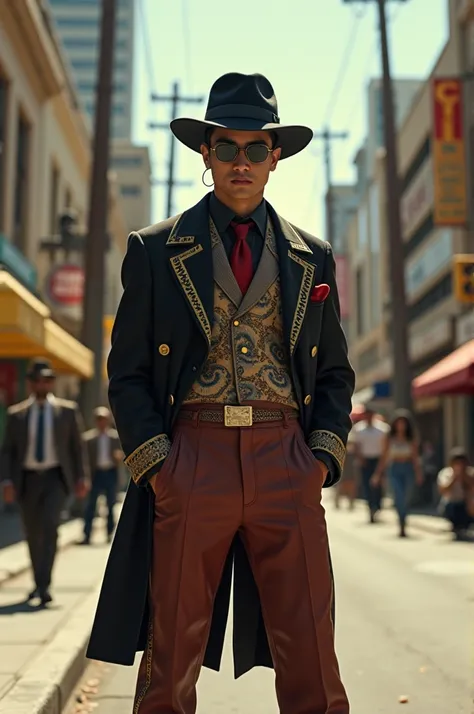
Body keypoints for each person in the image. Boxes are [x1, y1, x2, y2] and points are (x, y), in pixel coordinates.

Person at [87, 72, 355, 714]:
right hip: (192, 457)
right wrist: (158, 462)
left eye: (255, 148)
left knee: (312, 647)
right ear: (205, 153)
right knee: (171, 648)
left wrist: (319, 457)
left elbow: (336, 372)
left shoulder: (311, 257)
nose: (241, 162)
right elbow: (124, 371)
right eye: (227, 147)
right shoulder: (154, 251)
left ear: (275, 156)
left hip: (285, 458)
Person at [0, 358, 89, 604]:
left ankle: (44, 585)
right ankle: (37, 582)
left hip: (54, 478)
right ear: (30, 384)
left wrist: (82, 477)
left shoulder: (67, 412)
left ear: (51, 383)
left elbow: (77, 448)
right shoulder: (16, 415)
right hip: (27, 479)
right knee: (32, 531)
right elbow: (7, 451)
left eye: (47, 380)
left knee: (50, 528)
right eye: (38, 380)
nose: (42, 384)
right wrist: (6, 482)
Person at [373, 409, 423, 538]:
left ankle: (404, 518)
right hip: (394, 468)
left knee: (407, 497)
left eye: (403, 423)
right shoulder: (389, 438)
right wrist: (378, 474)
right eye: (399, 423)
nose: (401, 426)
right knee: (399, 496)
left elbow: (415, 457)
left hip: (408, 468)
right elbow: (384, 457)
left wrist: (418, 473)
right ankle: (401, 523)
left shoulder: (411, 439)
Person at [81, 407, 123, 545]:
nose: (101, 422)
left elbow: (123, 455)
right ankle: (87, 534)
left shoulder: (115, 437)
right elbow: (84, 459)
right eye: (99, 419)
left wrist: (118, 457)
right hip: (95, 474)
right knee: (91, 505)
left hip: (110, 473)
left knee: (110, 505)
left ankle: (110, 533)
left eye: (104, 419)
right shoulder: (88, 439)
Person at [353, 406, 389, 523]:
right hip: (365, 460)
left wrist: (383, 462)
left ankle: (377, 505)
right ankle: (370, 508)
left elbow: (385, 447)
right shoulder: (359, 429)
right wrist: (360, 458)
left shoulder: (382, 429)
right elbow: (356, 446)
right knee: (367, 485)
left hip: (378, 459)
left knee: (378, 485)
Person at [437, 447, 474, 540]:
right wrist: (454, 478)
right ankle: (456, 526)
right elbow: (442, 490)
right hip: (451, 503)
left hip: (466, 503)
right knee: (452, 507)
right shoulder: (446, 473)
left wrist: (465, 478)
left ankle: (465, 526)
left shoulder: (470, 473)